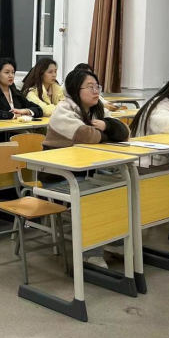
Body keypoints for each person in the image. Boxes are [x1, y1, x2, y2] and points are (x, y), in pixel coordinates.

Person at [44, 69, 130, 269]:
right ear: (76, 89)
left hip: (87, 173)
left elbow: (125, 131)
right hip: (59, 177)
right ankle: (89, 253)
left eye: (97, 87)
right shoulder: (63, 111)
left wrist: (106, 127)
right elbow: (88, 136)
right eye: (90, 87)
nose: (95, 91)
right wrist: (108, 131)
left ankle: (115, 242)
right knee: (95, 196)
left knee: (120, 188)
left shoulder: (97, 109)